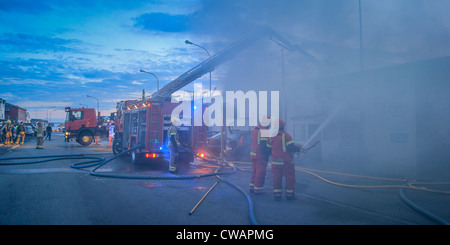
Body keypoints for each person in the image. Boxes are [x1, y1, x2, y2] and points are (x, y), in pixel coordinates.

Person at [270, 119, 303, 201]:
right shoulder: (287, 135)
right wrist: (298, 148)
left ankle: (277, 195)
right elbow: (291, 147)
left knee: (276, 178)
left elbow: (268, 148)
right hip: (286, 161)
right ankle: (290, 195)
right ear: (283, 126)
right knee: (289, 178)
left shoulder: (271, 136)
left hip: (275, 162)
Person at [249, 116, 271, 194]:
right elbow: (263, 145)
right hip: (260, 155)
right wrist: (265, 156)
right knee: (260, 172)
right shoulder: (264, 131)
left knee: (254, 171)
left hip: (253, 154)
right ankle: (258, 189)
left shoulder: (256, 129)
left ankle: (252, 187)